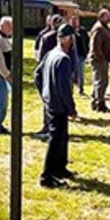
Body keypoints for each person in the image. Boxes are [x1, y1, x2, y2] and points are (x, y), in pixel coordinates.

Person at [38, 23, 78, 187]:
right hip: (58, 105)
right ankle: (47, 176)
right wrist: (71, 108)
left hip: (51, 102)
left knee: (62, 137)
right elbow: (64, 89)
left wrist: (44, 94)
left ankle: (60, 168)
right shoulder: (63, 59)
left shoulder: (50, 54)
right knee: (55, 139)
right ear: (69, 40)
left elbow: (37, 75)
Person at [88, 8, 110, 112]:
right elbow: (95, 46)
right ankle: (99, 104)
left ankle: (97, 101)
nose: (109, 18)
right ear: (101, 16)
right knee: (101, 82)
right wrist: (100, 58)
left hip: (104, 59)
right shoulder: (99, 28)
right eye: (107, 16)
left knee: (100, 81)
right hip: (100, 60)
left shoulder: (104, 27)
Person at [70, 14, 88, 95]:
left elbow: (87, 41)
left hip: (81, 55)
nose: (74, 23)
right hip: (71, 55)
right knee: (72, 73)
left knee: (81, 72)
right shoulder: (69, 31)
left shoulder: (82, 30)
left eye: (76, 21)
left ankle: (81, 88)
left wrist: (86, 52)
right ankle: (71, 88)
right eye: (73, 21)